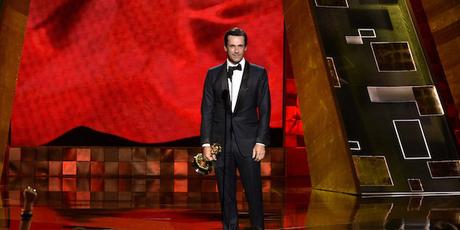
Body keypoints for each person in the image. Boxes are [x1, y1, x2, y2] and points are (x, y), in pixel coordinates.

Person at [200, 27, 270, 230]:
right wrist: (206, 143)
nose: (236, 50)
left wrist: (261, 141)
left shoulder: (259, 73)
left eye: (240, 46)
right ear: (225, 47)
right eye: (232, 46)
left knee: (254, 194)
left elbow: (265, 110)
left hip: (249, 144)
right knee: (226, 195)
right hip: (221, 144)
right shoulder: (213, 74)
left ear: (246, 47)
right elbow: (207, 110)